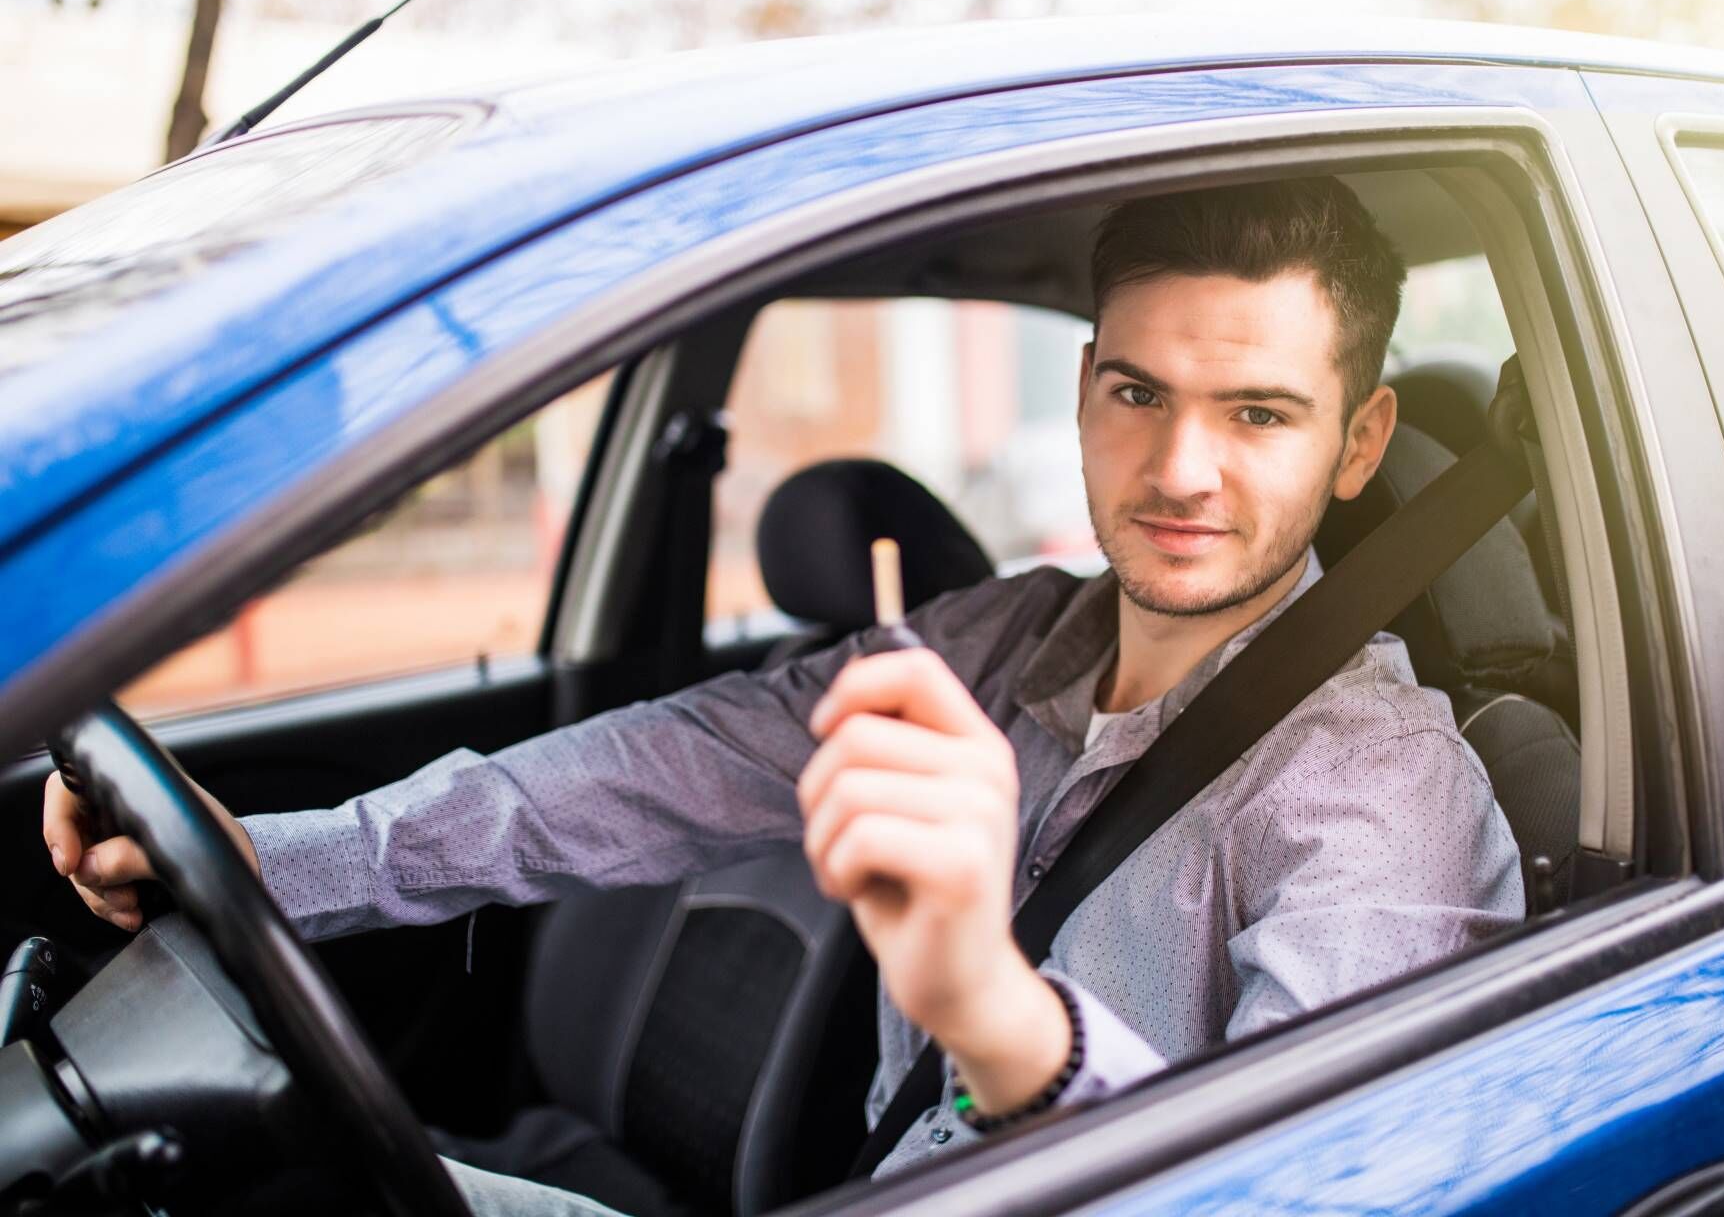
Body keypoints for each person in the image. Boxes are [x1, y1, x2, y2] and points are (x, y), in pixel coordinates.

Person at [43, 178, 1525, 1214]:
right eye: (1138, 393)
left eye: (1259, 413)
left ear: (1357, 439)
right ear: (1083, 391)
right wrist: (273, 863)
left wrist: (1003, 1017)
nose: (1181, 470)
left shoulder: (1383, 795)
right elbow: (658, 767)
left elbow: (1312, 1187)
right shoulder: (1010, 639)